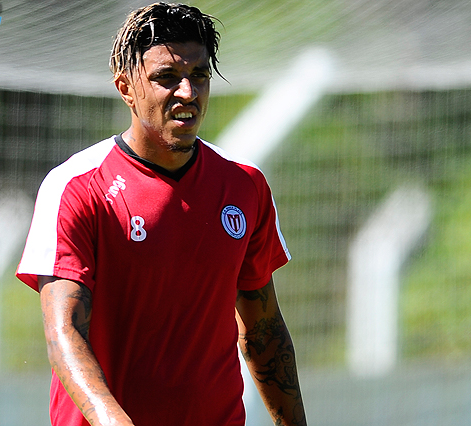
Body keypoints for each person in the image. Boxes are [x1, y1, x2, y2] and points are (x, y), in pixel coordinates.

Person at [16, 3, 307, 426]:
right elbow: (65, 334)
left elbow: (263, 330)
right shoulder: (77, 186)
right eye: (166, 77)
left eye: (199, 75)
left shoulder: (244, 185)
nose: (188, 92)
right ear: (126, 88)